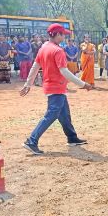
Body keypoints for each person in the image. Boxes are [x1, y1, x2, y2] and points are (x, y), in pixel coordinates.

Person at [20, 24, 92, 155]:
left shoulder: (44, 48)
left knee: (64, 114)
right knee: (51, 114)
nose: (64, 37)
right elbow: (64, 71)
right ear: (57, 34)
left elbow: (35, 66)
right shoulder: (58, 50)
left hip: (52, 86)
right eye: (63, 34)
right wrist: (82, 84)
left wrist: (28, 84)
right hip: (56, 87)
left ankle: (72, 138)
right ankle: (32, 141)